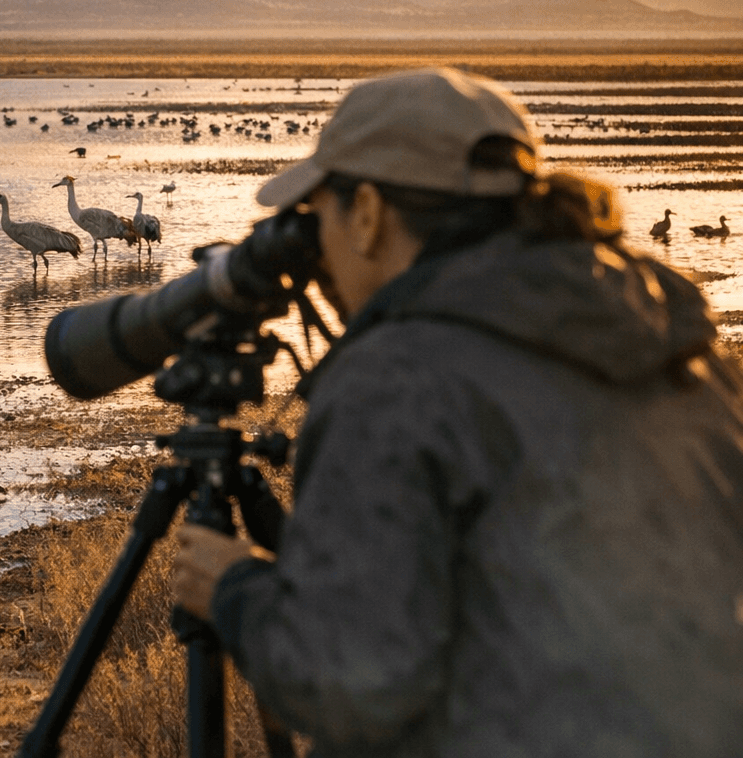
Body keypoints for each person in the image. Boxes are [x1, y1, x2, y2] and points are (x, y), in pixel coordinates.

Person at [172, 67, 743, 756]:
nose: (313, 251)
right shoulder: (677, 342)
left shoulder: (396, 379)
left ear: (369, 215)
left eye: (318, 215)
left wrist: (235, 591)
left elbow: (352, 686)